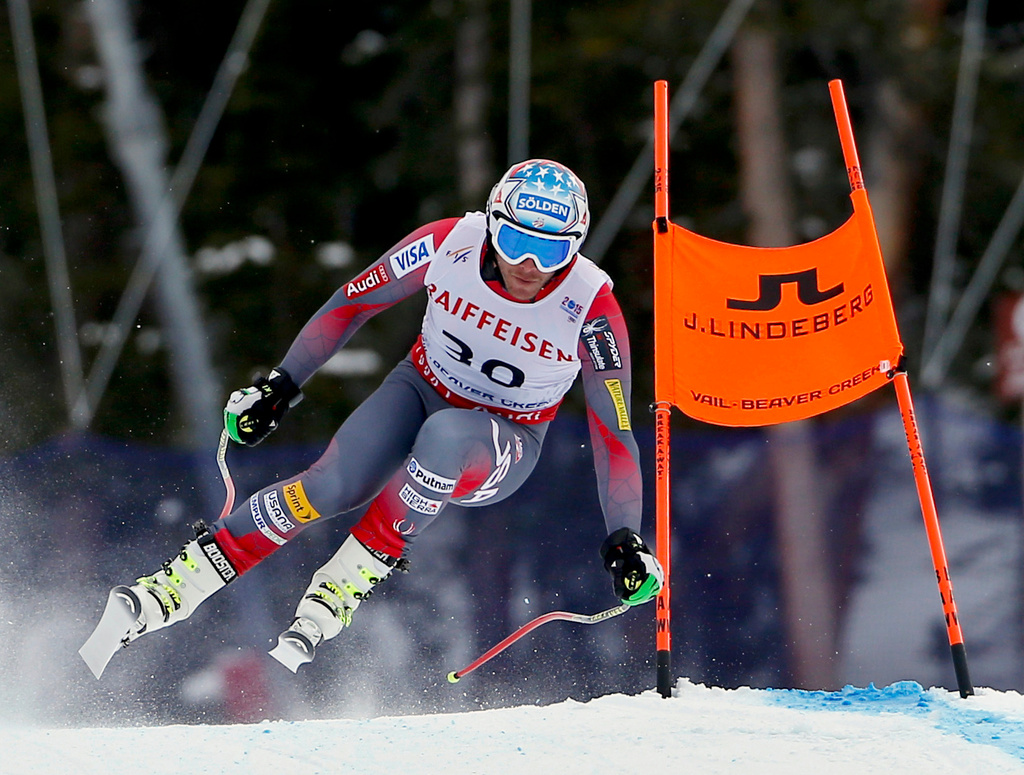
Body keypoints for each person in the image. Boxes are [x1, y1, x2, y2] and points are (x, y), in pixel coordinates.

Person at [81, 159, 663, 677]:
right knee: (328, 486)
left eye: (552, 251)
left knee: (446, 436)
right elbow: (352, 303)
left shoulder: (591, 308)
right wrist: (280, 386)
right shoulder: (447, 244)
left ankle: (342, 586)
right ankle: (168, 590)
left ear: (577, 248)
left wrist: (624, 539)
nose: (529, 266)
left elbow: (614, 433)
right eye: (513, 240)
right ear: (491, 224)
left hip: (504, 438)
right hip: (419, 387)